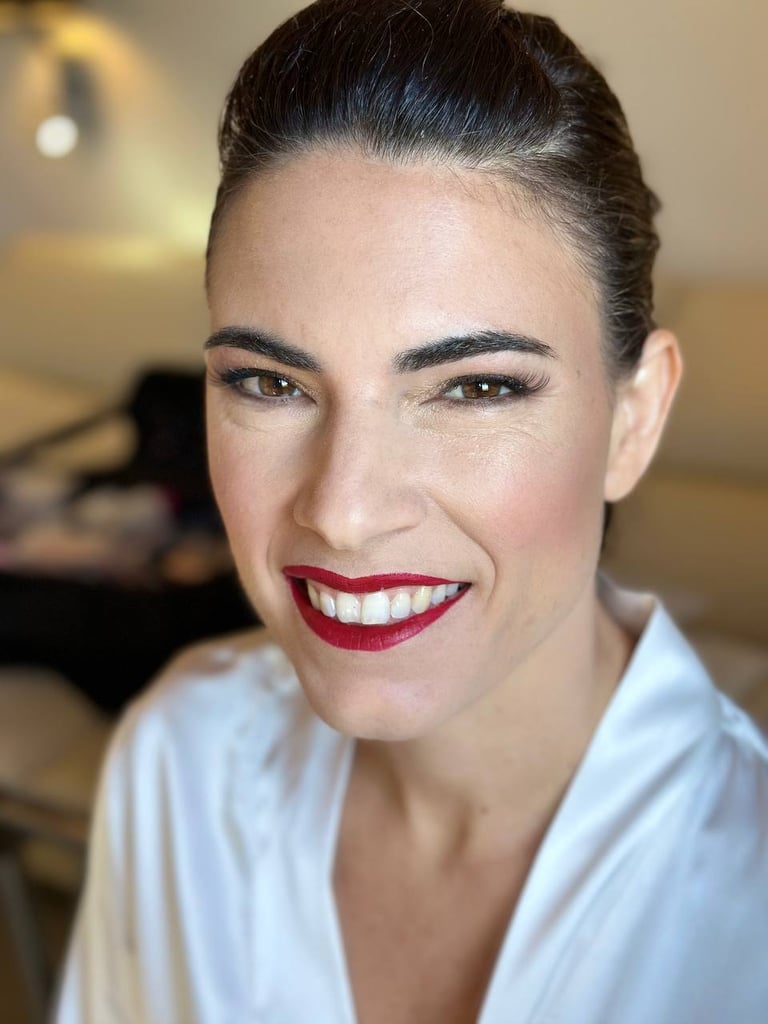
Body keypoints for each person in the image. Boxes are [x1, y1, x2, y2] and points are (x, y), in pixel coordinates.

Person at [55, 1, 768, 1021]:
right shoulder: (180, 761)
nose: (343, 511)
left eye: (475, 387)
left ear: (634, 417)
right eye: (269, 383)